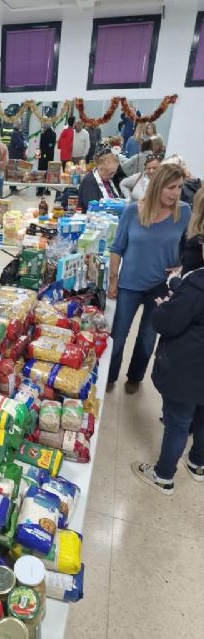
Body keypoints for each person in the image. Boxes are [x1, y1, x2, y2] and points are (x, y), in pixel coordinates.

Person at [107, 164, 191, 395]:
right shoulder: (132, 211)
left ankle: (135, 377)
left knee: (147, 338)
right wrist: (113, 280)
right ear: (157, 185)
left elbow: (190, 248)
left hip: (161, 287)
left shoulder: (184, 212)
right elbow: (117, 248)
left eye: (179, 187)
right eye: (171, 187)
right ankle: (110, 375)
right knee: (118, 336)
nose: (176, 193)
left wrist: (182, 266)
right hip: (129, 284)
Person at [131, 242, 204, 495]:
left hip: (188, 368)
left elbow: (167, 323)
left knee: (178, 423)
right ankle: (198, 463)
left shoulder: (197, 285)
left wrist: (164, 307)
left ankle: (163, 476)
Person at [36, 125, 56, 196]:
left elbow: (39, 146)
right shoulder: (54, 134)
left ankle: (40, 190)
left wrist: (37, 156)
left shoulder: (42, 135)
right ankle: (48, 190)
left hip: (43, 157)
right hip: (50, 156)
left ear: (45, 128)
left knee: (42, 172)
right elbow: (51, 145)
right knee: (49, 173)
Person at [8, 120, 27, 193]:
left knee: (15, 172)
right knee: (14, 172)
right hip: (15, 155)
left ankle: (14, 187)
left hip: (16, 155)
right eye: (20, 124)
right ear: (18, 125)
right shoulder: (15, 133)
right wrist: (24, 145)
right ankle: (12, 188)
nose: (21, 125)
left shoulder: (17, 133)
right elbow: (21, 144)